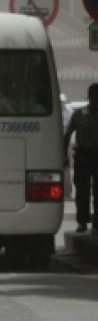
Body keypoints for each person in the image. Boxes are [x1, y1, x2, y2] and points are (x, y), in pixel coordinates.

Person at [64, 82, 98, 234]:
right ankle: (82, 221)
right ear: (90, 96)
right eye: (94, 95)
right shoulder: (79, 114)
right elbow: (68, 135)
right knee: (82, 191)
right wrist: (64, 156)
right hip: (83, 156)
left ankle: (97, 223)